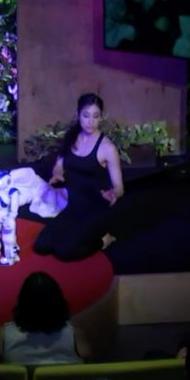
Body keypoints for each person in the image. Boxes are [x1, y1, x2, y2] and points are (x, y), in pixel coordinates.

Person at [33, 93, 125, 262]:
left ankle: (104, 240)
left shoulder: (107, 148)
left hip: (96, 211)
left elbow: (119, 187)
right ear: (78, 115)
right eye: (86, 115)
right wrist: (57, 174)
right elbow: (60, 163)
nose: (90, 121)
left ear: (101, 118)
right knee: (41, 245)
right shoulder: (72, 137)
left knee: (65, 251)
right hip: (74, 208)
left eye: (95, 116)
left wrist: (113, 193)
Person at [0, 271, 89, 364]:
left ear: (23, 303)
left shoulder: (3, 334)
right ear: (58, 303)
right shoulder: (75, 334)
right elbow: (88, 361)